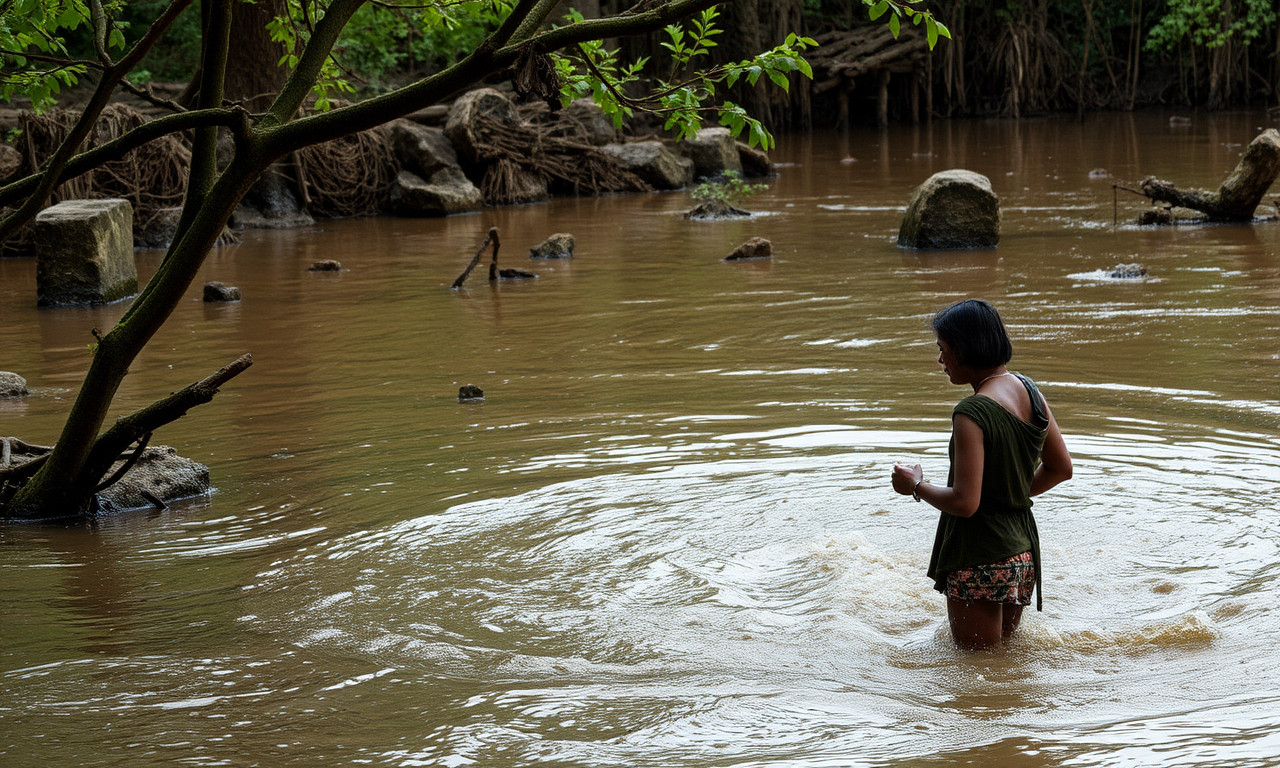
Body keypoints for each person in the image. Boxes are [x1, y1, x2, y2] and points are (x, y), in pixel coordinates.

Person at [891, 299, 1072, 651]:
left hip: (979, 555)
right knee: (1002, 667)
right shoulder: (1030, 391)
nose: (941, 361)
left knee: (976, 673)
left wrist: (915, 485)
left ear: (965, 349)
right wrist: (1010, 495)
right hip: (1021, 552)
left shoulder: (971, 411)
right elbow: (1061, 468)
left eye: (943, 350)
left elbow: (964, 502)